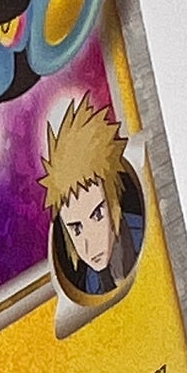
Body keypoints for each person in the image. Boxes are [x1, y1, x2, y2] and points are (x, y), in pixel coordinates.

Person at [42, 97, 144, 299]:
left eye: (97, 215)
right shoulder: (92, 282)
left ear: (114, 203)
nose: (90, 244)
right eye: (76, 229)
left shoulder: (143, 237)